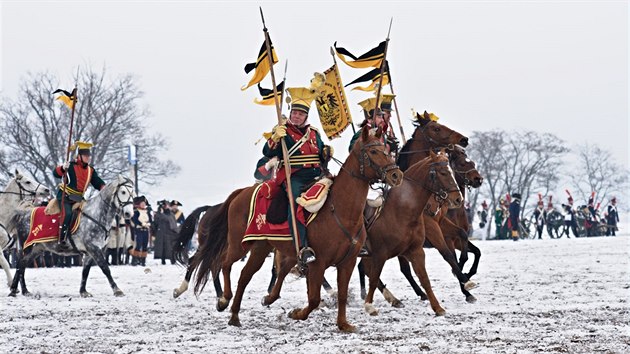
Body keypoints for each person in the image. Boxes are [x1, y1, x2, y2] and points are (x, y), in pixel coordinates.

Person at [261, 73, 332, 265]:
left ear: (306, 116)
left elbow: (321, 155)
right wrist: (275, 137)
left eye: (300, 114)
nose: (296, 116)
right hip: (295, 177)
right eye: (294, 113)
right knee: (295, 205)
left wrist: (326, 152)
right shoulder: (283, 130)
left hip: (317, 175)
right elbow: (267, 151)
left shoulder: (314, 133)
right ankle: (303, 248)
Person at [52, 141, 106, 245]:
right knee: (67, 214)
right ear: (79, 156)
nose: (88, 158)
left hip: (79, 198)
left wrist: (104, 187)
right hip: (66, 196)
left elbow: (97, 182)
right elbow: (56, 174)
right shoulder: (70, 166)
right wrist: (63, 168)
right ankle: (62, 238)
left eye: (89, 156)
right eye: (85, 156)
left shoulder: (91, 170)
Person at [153, 200, 179, 265]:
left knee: (171, 247)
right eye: (166, 205)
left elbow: (171, 221)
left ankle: (172, 260)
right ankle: (163, 260)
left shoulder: (170, 213)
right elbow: (156, 221)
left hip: (170, 232)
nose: (167, 206)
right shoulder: (158, 213)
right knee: (163, 248)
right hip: (162, 233)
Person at [130, 196, 152, 266]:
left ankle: (143, 261)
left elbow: (150, 220)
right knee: (138, 245)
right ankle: (135, 260)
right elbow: (135, 219)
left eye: (144, 203)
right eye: (142, 203)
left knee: (145, 245)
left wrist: (149, 223)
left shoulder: (147, 211)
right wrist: (141, 223)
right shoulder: (136, 211)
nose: (143, 204)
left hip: (146, 229)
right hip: (139, 229)